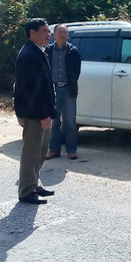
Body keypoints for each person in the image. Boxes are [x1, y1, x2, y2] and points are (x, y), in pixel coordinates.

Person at [13, 18, 57, 205]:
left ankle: (34, 183)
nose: (49, 34)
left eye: (49, 31)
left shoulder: (38, 51)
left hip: (41, 111)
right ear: (32, 33)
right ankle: (26, 191)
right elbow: (32, 90)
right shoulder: (28, 55)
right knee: (32, 152)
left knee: (41, 150)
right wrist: (43, 115)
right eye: (45, 31)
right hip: (35, 113)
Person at [45, 24, 82, 160]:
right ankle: (54, 149)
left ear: (68, 35)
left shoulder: (73, 51)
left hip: (68, 89)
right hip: (53, 89)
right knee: (54, 122)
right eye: (60, 32)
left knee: (70, 122)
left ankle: (71, 150)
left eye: (65, 32)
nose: (62, 34)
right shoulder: (48, 51)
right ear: (54, 35)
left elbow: (76, 71)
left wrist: (71, 83)